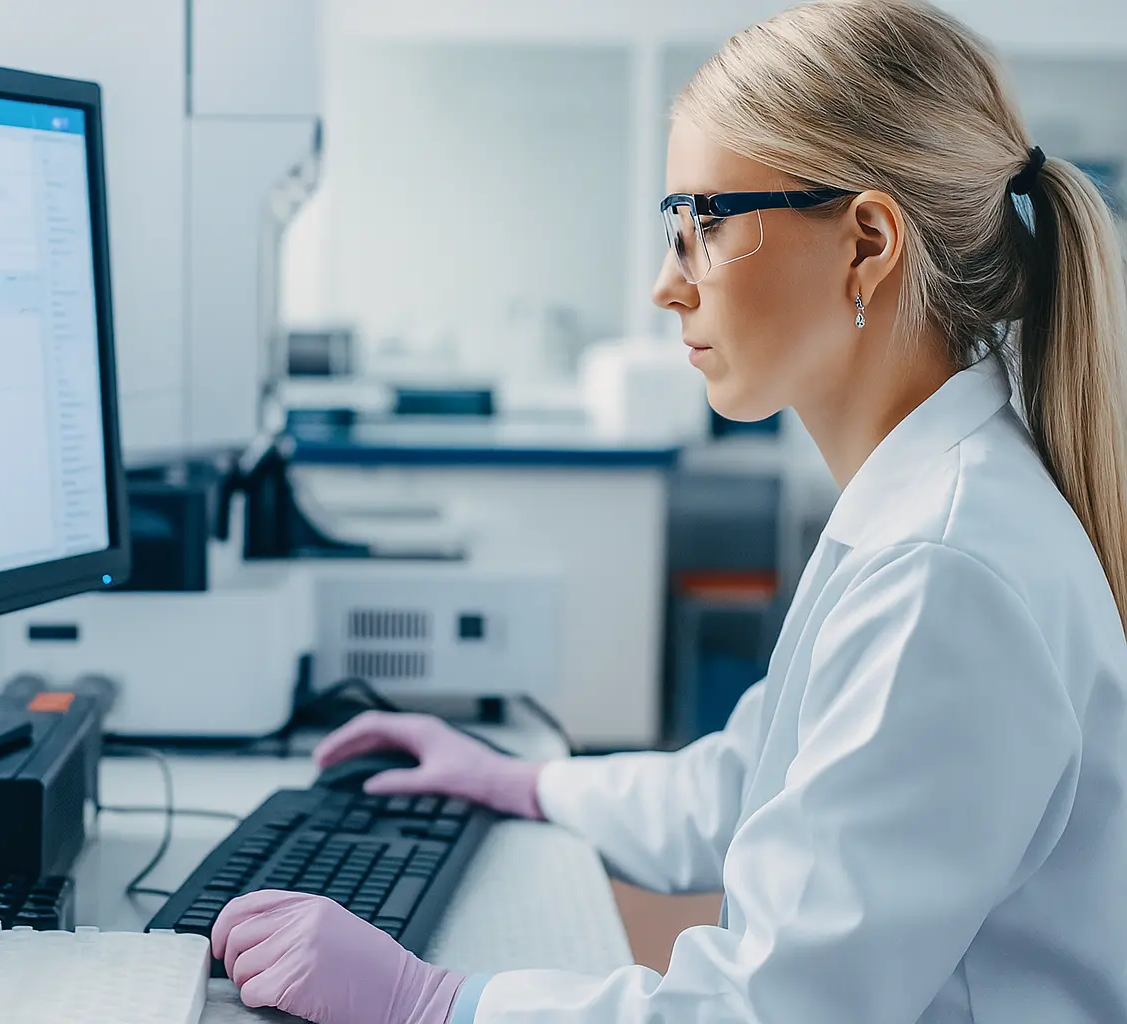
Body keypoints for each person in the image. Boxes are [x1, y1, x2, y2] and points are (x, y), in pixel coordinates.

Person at [208, 0, 1127, 1020]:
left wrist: (437, 1002)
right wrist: (524, 782)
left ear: (866, 242)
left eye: (701, 226)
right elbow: (750, 781)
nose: (663, 285)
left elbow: (771, 1011)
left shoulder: (948, 567)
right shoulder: (928, 502)